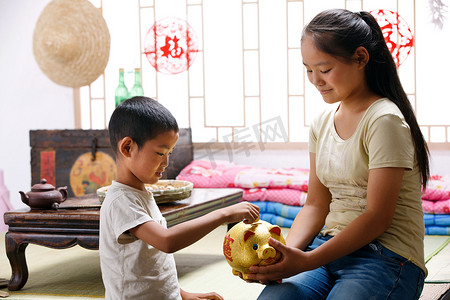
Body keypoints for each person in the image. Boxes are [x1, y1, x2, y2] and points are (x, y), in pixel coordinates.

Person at [247, 9, 430, 300]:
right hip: (326, 248)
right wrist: (286, 256)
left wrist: (306, 261)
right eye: (308, 69)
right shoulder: (322, 122)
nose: (315, 80)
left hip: (386, 256)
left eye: (325, 69)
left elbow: (377, 217)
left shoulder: (384, 120)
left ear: (360, 58)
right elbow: (316, 205)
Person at [99, 96, 259, 300]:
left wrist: (182, 295)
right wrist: (223, 214)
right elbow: (167, 242)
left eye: (170, 153)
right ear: (128, 148)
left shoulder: (141, 194)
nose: (166, 162)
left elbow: (152, 264)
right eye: (159, 153)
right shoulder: (120, 201)